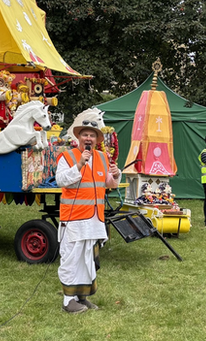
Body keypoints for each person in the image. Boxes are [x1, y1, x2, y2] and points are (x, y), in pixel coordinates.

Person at [56, 108, 121, 314]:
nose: (89, 138)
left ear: (96, 139)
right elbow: (61, 180)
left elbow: (108, 183)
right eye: (85, 134)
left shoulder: (103, 157)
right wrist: (79, 165)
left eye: (92, 135)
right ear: (78, 137)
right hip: (74, 218)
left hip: (94, 218)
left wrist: (116, 174)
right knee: (72, 257)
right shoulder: (67, 156)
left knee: (88, 258)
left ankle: (82, 297)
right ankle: (68, 300)